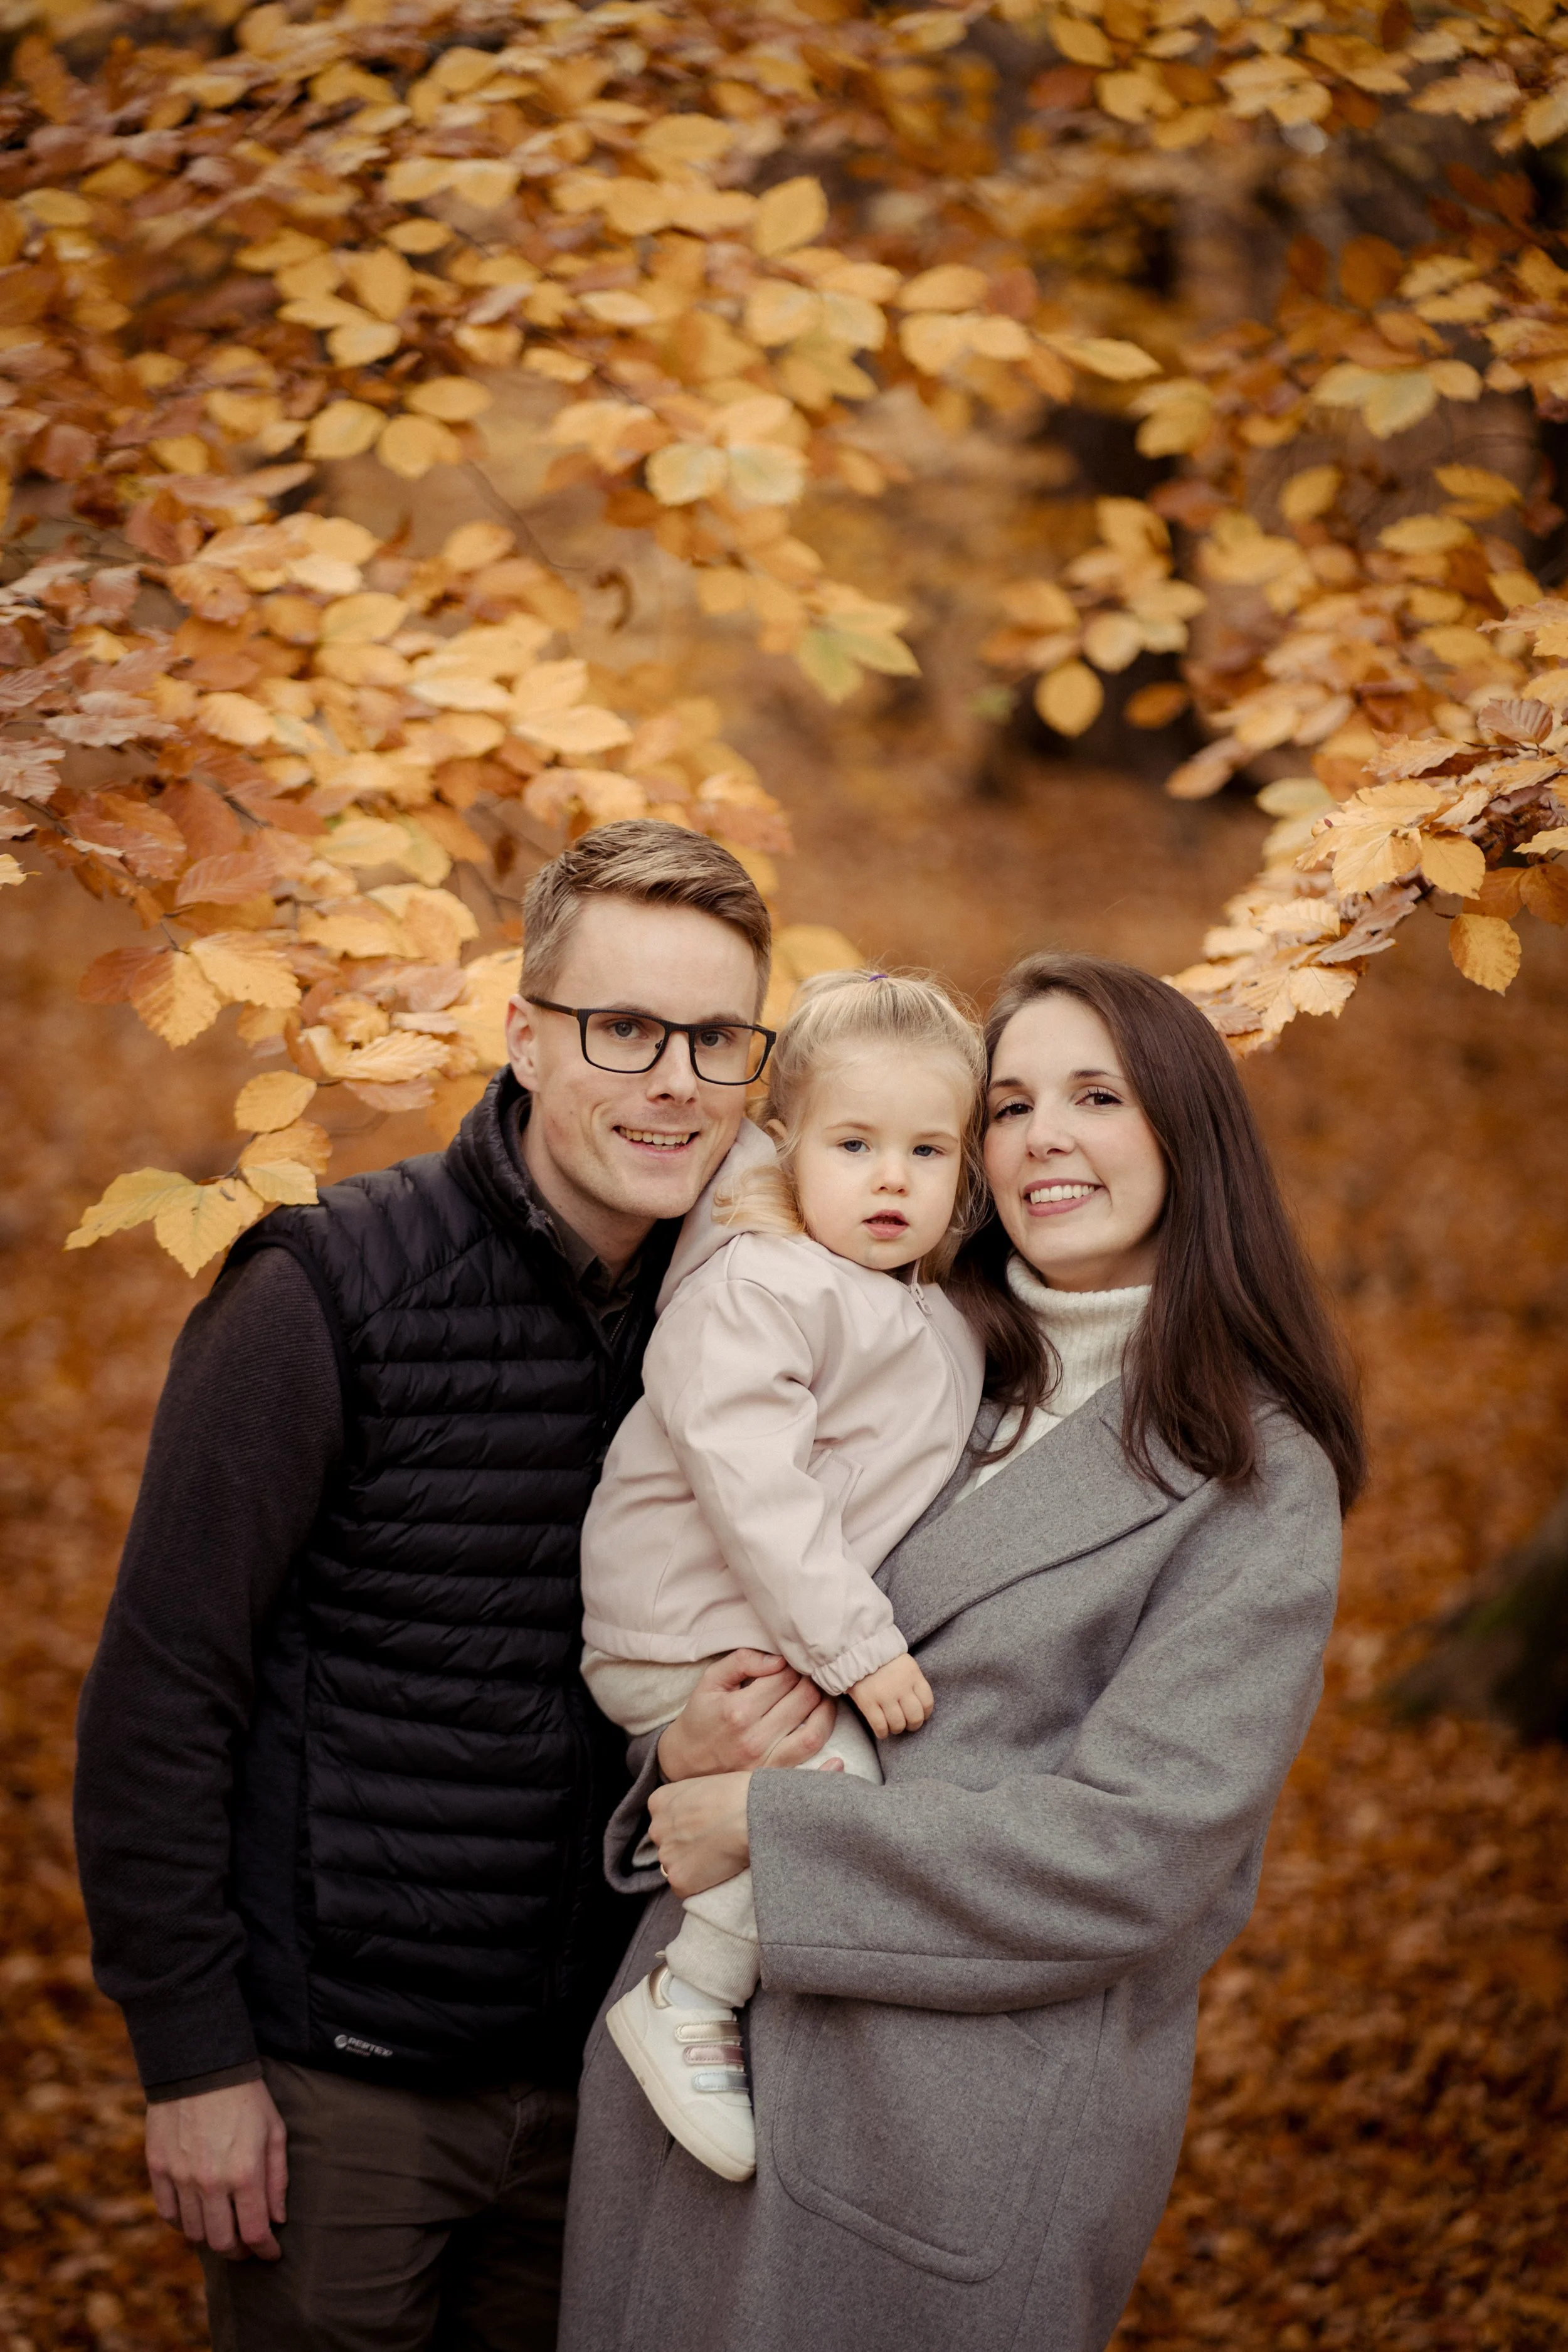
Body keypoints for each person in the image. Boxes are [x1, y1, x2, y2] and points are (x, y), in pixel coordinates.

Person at [72, 820, 835, 2352]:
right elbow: (162, 1694)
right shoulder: (326, 1289)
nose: (673, 1081)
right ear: (524, 1036)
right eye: (622, 1030)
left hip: (608, 2098)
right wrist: (194, 2062)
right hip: (338, 2085)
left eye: (715, 1040)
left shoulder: (755, 1309)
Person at [559, 950, 1366, 2352]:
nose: (1043, 1133)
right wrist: (685, 1755)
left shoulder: (1251, 1479)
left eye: (1096, 1095)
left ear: (1188, 1134)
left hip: (931, 2141)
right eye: (1007, 1105)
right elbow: (732, 1602)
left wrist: (770, 1826)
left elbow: (1138, 1856)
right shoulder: (915, 1351)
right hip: (687, 2082)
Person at [578, 972, 987, 2181]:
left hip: (756, 1622)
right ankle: (689, 1995)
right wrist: (858, 1646)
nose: (892, 1178)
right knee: (836, 1785)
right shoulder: (759, 1287)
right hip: (683, 1628)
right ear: (786, 1147)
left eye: (928, 1149)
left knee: (838, 1791)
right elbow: (754, 1486)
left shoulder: (922, 1310)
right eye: (854, 1144)